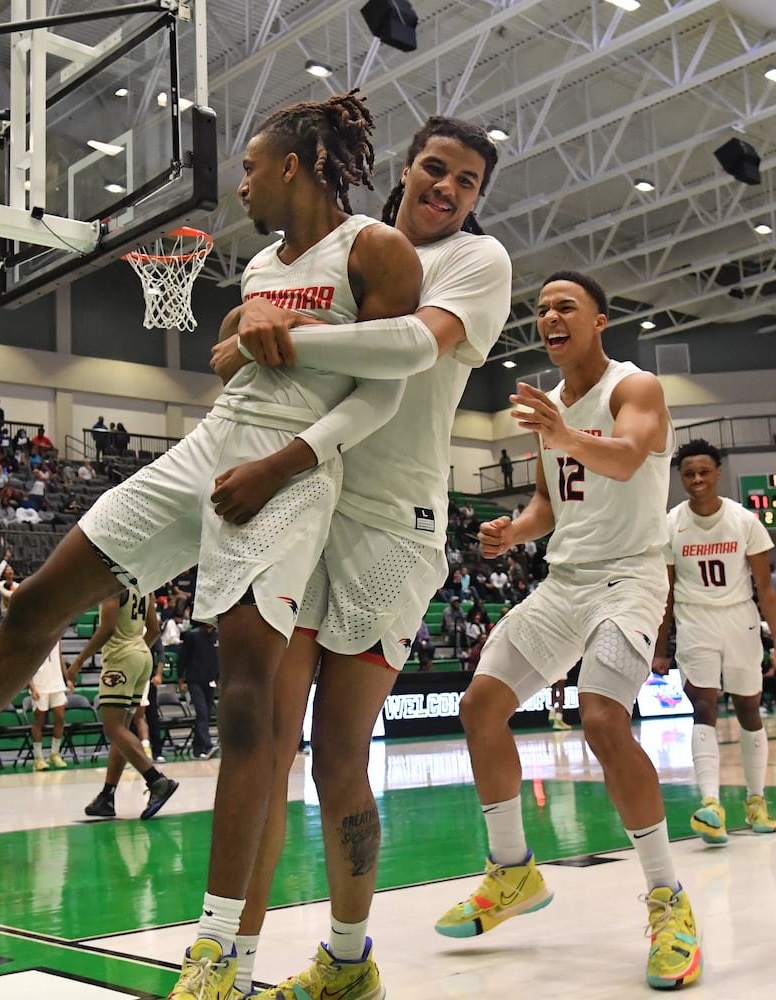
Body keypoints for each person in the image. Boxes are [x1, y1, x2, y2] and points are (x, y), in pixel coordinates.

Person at [0, 90, 423, 1000]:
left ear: (292, 165)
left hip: (290, 475)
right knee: (40, 601)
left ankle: (218, 960)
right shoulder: (257, 269)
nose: (238, 184)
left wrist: (284, 459)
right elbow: (257, 362)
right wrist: (243, 348)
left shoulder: (373, 247)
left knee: (248, 708)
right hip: (208, 449)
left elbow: (387, 387)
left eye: (248, 167)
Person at [204, 112, 510, 999]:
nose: (447, 190)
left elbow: (410, 347)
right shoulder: (350, 254)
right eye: (436, 169)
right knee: (266, 744)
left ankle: (347, 958)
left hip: (392, 521)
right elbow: (263, 351)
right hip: (308, 501)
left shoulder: (475, 264)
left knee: (339, 753)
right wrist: (251, 331)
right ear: (406, 172)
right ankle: (229, 961)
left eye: (467, 182)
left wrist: (277, 337)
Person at [425, 270, 700, 990]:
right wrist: (510, 530)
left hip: (630, 579)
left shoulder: (634, 389)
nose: (549, 316)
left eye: (564, 306)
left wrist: (562, 431)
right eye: (541, 308)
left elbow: (625, 457)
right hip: (564, 581)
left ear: (598, 320)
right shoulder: (545, 406)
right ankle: (512, 872)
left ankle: (668, 899)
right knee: (479, 707)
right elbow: (550, 502)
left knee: (602, 717)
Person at [654, 438, 776, 848]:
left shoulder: (745, 520)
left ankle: (756, 801)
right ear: (681, 478)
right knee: (703, 705)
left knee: (749, 707)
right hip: (695, 622)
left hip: (740, 620)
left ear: (717, 473)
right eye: (689, 474)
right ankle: (711, 803)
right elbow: (667, 592)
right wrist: (659, 649)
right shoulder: (670, 523)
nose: (696, 479)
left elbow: (766, 588)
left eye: (703, 472)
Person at [72, 588, 174, 817]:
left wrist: (78, 661)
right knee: (122, 730)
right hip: (141, 654)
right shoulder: (142, 583)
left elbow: (107, 628)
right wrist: (137, 650)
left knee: (113, 728)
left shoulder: (113, 582)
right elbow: (154, 628)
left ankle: (156, 781)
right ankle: (107, 795)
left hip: (120, 658)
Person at [177, 617, 219, 759]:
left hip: (210, 680)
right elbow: (183, 658)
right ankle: (208, 747)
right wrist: (180, 679)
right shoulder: (192, 635)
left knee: (206, 714)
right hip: (194, 679)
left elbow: (218, 659)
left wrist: (219, 678)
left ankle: (197, 749)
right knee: (201, 713)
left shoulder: (218, 635)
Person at [27, 646, 70, 771]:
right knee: (39, 721)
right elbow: (27, 662)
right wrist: (31, 686)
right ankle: (38, 758)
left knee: (60, 718)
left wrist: (67, 679)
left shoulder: (57, 633)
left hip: (56, 682)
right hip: (39, 683)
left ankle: (54, 753)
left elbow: (60, 657)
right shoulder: (33, 636)